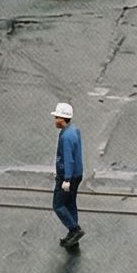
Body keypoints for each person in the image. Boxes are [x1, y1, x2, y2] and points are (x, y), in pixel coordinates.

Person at [50, 101, 84, 249]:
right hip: (77, 174)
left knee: (58, 205)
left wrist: (66, 179)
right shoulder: (74, 130)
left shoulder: (66, 137)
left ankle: (75, 230)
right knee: (70, 203)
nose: (55, 120)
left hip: (67, 176)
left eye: (57, 117)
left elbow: (68, 159)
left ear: (62, 119)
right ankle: (73, 237)